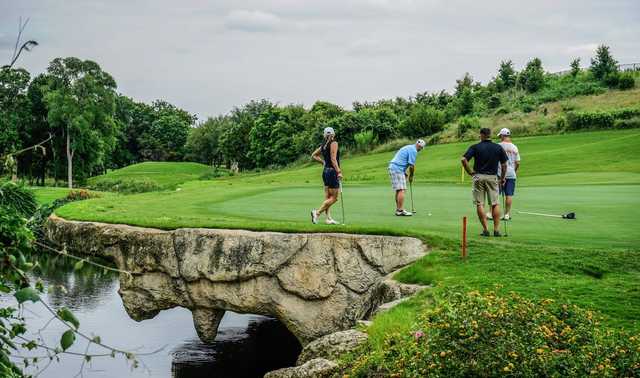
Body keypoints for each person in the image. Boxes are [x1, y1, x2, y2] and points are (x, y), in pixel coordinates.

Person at [461, 128, 508, 237]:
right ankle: (496, 230)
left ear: (482, 135)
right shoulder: (498, 147)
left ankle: (486, 229)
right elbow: (504, 164)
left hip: (478, 177)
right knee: (495, 203)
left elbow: (463, 159)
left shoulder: (475, 147)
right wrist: (502, 178)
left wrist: (470, 172)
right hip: (492, 177)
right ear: (490, 135)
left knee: (480, 203)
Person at [310, 127, 342, 225]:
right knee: (334, 198)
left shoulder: (323, 145)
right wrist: (339, 171)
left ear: (325, 135)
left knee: (328, 197)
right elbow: (333, 159)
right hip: (332, 172)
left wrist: (323, 162)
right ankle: (317, 212)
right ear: (333, 134)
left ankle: (328, 218)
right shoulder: (334, 143)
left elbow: (314, 155)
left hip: (325, 172)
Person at [388, 139, 426, 216]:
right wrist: (411, 176)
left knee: (399, 190)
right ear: (419, 146)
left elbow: (401, 160)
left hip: (394, 168)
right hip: (397, 169)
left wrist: (404, 172)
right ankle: (400, 210)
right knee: (402, 190)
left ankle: (398, 209)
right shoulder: (414, 151)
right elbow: (411, 166)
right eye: (421, 148)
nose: (420, 150)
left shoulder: (409, 147)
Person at [497, 128, 520, 220]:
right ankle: (506, 214)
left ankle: (492, 213)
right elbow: (517, 162)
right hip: (511, 173)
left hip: (499, 173)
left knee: (496, 194)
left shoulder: (498, 146)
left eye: (500, 136)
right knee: (509, 194)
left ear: (502, 136)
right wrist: (514, 170)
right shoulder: (514, 147)